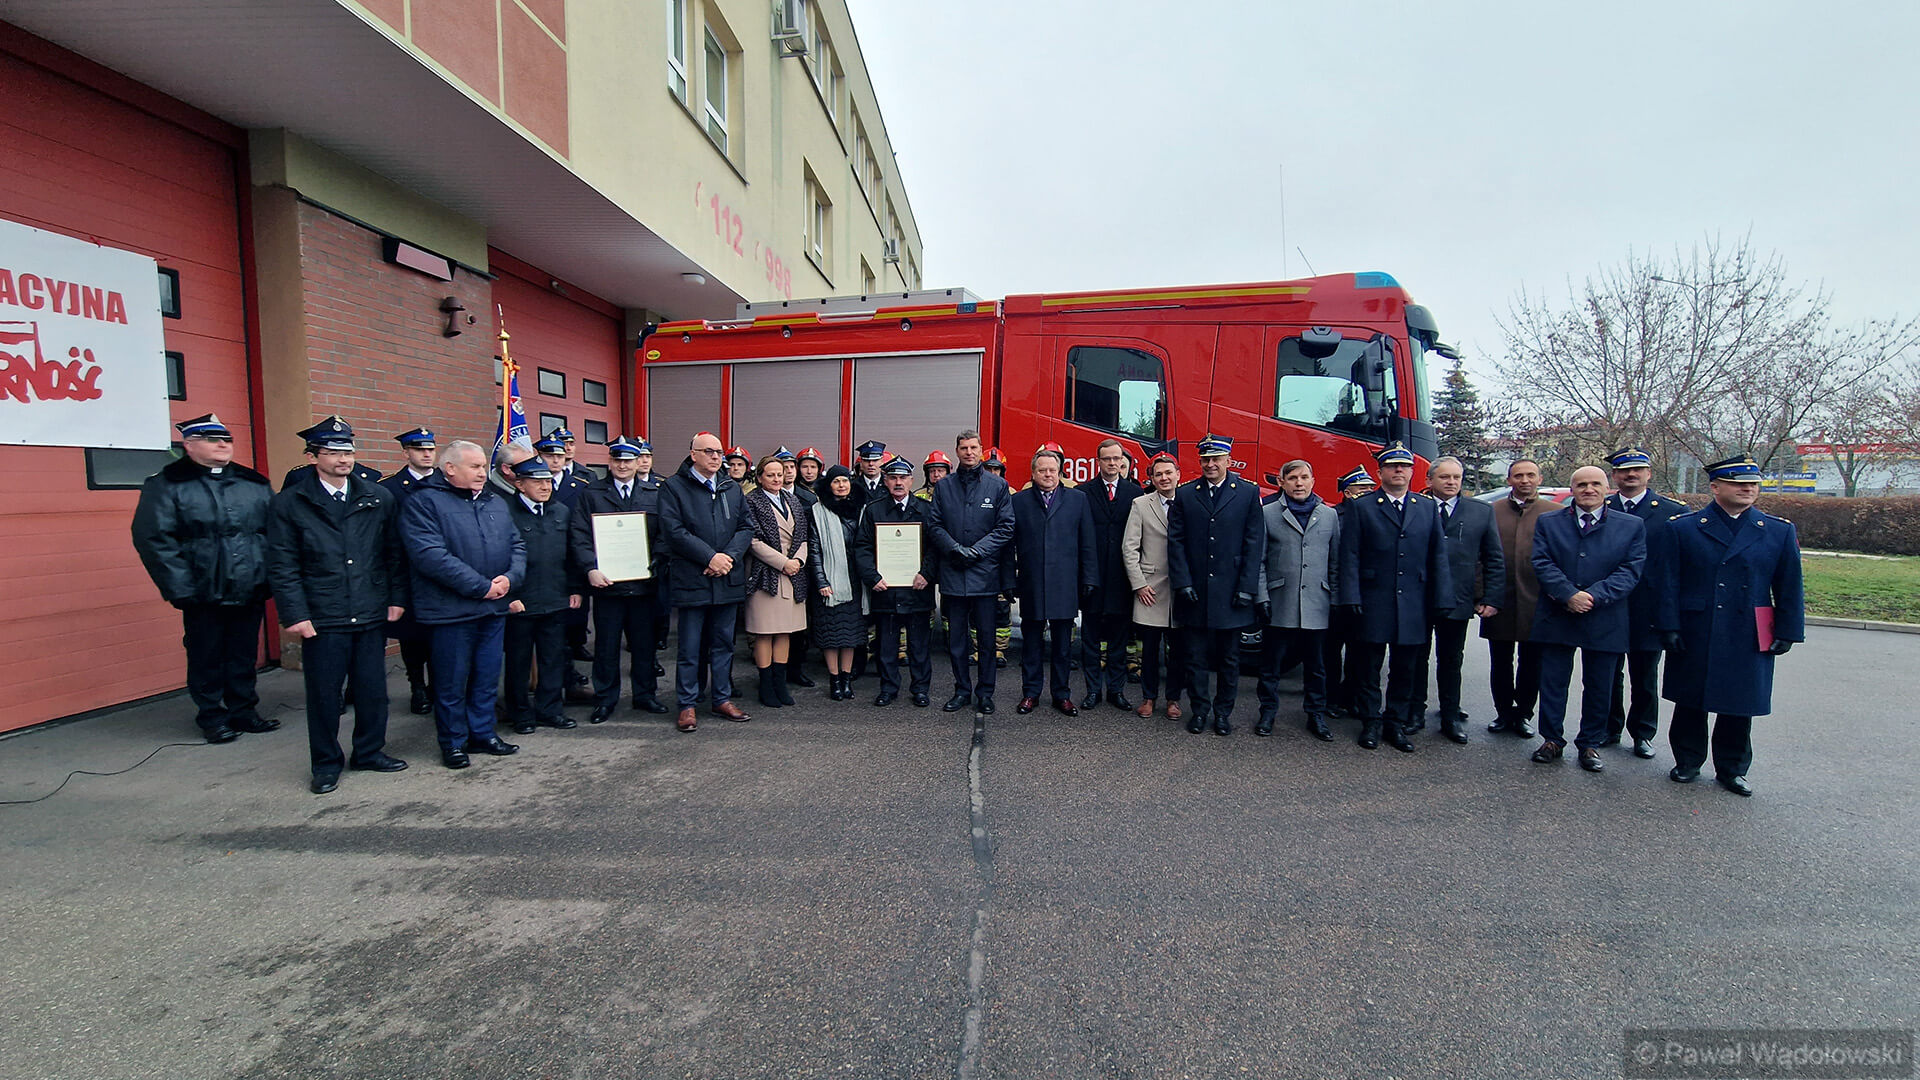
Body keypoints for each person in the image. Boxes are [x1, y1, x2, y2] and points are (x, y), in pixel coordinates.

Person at [263, 417, 407, 793]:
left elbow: (393, 554)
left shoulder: (377, 496)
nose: (344, 459)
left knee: (374, 690)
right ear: (313, 456)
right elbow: (282, 563)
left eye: (348, 451)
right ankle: (326, 764)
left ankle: (370, 752)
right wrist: (296, 614)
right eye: (333, 452)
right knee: (326, 696)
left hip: (370, 608)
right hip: (323, 614)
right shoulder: (291, 502)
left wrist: (396, 599)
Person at [1657, 454, 1804, 797]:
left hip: (1749, 628)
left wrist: (1787, 630)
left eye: (1752, 484)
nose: (1748, 489)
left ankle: (1732, 769)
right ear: (1715, 487)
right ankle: (1688, 761)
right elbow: (1667, 581)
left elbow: (1789, 586)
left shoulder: (1777, 530)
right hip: (1697, 624)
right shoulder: (1683, 527)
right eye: (1739, 484)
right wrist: (1668, 625)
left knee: (1740, 702)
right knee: (1691, 699)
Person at [131, 413, 278, 744]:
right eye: (213, 440)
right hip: (202, 589)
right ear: (189, 445)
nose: (223, 445)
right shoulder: (168, 484)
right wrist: (180, 588)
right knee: (206, 654)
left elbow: (274, 532)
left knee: (243, 651)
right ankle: (212, 716)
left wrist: (268, 576)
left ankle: (244, 710)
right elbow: (154, 538)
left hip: (249, 585)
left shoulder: (253, 483)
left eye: (227, 439)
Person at [400, 439, 526, 769]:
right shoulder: (424, 502)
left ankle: (483, 733)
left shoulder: (495, 501)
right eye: (475, 466)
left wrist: (509, 580)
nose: (483, 472)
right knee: (452, 682)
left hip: (493, 607)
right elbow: (430, 556)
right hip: (451, 611)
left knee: (486, 677)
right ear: (450, 468)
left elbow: (517, 545)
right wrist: (481, 587)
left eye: (484, 466)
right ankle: (453, 742)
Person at [1527, 466, 1647, 772]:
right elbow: (1541, 562)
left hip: (1605, 616)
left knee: (1599, 684)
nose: (1588, 489)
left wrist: (1593, 596)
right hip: (1558, 613)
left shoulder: (1631, 525)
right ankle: (1552, 739)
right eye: (1581, 484)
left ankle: (1591, 743)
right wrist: (1568, 594)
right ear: (1573, 489)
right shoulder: (1549, 522)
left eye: (1595, 484)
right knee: (1553, 682)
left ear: (1608, 489)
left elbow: (1630, 570)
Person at [1337, 442, 1452, 752]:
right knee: (1367, 666)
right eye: (1392, 466)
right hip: (1374, 599)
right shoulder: (1363, 506)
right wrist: (1351, 595)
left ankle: (1395, 723)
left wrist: (1442, 598)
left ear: (1413, 473)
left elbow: (1438, 556)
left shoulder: (1426, 507)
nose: (1398, 471)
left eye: (1404, 466)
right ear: (1380, 473)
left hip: (1414, 601)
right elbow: (1350, 555)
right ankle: (1371, 722)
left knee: (1406, 668)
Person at [1167, 434, 1266, 736]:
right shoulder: (1185, 494)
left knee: (1229, 659)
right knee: (1196, 658)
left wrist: (1248, 587)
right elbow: (1176, 542)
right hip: (1194, 591)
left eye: (1216, 459)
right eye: (1205, 459)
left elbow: (1254, 542)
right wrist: (1182, 582)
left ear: (1229, 461)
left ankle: (1223, 713)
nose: (1210, 464)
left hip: (1232, 591)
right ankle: (1199, 710)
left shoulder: (1248, 493)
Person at [658, 432, 755, 731]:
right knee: (689, 646)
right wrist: (709, 557)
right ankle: (687, 704)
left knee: (724, 644)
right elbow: (673, 530)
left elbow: (745, 526)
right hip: (693, 578)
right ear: (693, 454)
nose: (716, 457)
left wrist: (727, 557)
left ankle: (721, 698)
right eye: (709, 451)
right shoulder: (674, 487)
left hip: (726, 577)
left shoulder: (731, 487)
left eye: (719, 452)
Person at [568, 435, 668, 722]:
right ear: (609, 462)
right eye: (617, 460)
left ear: (638, 462)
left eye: (628, 460)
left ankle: (645, 695)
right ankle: (605, 699)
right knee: (607, 647)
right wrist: (590, 568)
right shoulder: (592, 494)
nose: (622, 465)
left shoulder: (655, 493)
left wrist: (655, 562)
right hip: (607, 586)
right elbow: (580, 535)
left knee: (644, 645)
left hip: (644, 585)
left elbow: (664, 533)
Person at [1412, 456, 1505, 744]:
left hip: (1457, 599)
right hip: (1419, 598)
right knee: (1416, 658)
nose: (1452, 482)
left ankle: (1450, 715)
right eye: (1445, 477)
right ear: (1430, 481)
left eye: (1457, 477)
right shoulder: (1417, 508)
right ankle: (1414, 711)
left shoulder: (1480, 512)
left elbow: (1493, 558)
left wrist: (1491, 597)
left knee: (1451, 660)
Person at [1603, 445, 1683, 758]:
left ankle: (1642, 733)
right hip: (1609, 603)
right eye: (1624, 470)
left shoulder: (1671, 512)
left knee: (1645, 677)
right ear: (1615, 475)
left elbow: (1675, 567)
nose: (1631, 475)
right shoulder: (1603, 506)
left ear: (1649, 474)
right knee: (1608, 674)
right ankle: (1608, 728)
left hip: (1648, 607)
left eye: (1637, 470)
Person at [929, 430, 1016, 714]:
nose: (969, 452)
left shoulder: (997, 486)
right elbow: (935, 526)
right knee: (956, 641)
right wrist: (954, 548)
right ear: (956, 451)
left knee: (987, 641)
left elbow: (1005, 527)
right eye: (963, 448)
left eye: (973, 447)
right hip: (953, 574)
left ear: (982, 450)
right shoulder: (944, 487)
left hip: (985, 576)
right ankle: (962, 690)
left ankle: (985, 693)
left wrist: (977, 550)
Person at [1255, 459, 1341, 740]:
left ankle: (1316, 713)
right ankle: (1267, 712)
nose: (1299, 483)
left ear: (1313, 480)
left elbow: (1336, 561)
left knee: (1316, 666)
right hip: (1281, 600)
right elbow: (1260, 561)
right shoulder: (1268, 513)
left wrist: (1336, 598)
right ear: (1281, 483)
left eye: (1304, 477)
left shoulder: (1329, 515)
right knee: (1271, 664)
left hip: (1317, 601)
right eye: (1292, 478)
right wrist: (1262, 597)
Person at [1010, 444, 1098, 715]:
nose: (1048, 474)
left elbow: (1087, 543)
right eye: (1042, 470)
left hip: (1065, 584)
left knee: (1062, 646)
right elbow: (1008, 545)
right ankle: (1030, 693)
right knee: (1032, 644)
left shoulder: (1077, 500)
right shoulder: (1019, 501)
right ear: (1033, 473)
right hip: (1032, 583)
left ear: (1060, 472)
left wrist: (1089, 578)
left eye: (1052, 470)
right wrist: (1008, 581)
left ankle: (1062, 695)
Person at [499, 456, 583, 736]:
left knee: (553, 658)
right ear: (520, 484)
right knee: (519, 661)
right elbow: (499, 558)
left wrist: (574, 588)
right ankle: (520, 713)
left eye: (547, 480)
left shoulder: (559, 511)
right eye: (537, 481)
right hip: (521, 601)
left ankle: (550, 710)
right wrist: (510, 595)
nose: (545, 486)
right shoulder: (504, 512)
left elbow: (570, 554)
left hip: (555, 597)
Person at [855, 458, 938, 707]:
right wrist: (873, 577)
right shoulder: (874, 510)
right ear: (886, 481)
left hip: (917, 588)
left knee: (919, 645)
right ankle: (888, 688)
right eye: (892, 478)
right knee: (887, 645)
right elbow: (862, 547)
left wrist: (927, 573)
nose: (898, 483)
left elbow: (935, 547)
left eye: (903, 478)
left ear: (911, 481)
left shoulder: (925, 509)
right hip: (886, 590)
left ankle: (921, 689)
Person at [1482, 459, 1553, 738]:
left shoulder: (1555, 512)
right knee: (1500, 661)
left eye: (1531, 475)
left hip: (1538, 600)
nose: (1525, 480)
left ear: (1539, 478)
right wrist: (1483, 595)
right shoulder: (1492, 511)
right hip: (1499, 599)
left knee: (1532, 662)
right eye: (1518, 476)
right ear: (1509, 480)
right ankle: (1502, 712)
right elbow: (1481, 556)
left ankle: (1524, 713)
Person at [1080, 439, 1145, 711]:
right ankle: (1093, 690)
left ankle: (1116, 690)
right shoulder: (1083, 492)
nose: (1111, 463)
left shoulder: (1135, 494)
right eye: (1106, 459)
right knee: (1091, 639)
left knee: (1119, 639)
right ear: (1098, 462)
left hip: (1122, 577)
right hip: (1092, 577)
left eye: (1116, 458)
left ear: (1123, 462)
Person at [1122, 452, 1186, 722]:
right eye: (1158, 474)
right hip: (1151, 589)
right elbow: (1129, 547)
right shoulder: (1140, 504)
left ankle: (1173, 700)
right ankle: (1148, 698)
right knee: (1148, 649)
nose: (1164, 478)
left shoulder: (1189, 501)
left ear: (1178, 475)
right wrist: (1139, 585)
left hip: (1182, 589)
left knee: (1179, 651)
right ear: (1151, 478)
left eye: (1168, 473)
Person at [743, 455, 812, 708]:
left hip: (793, 574)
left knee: (785, 631)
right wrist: (783, 563)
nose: (776, 479)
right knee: (765, 633)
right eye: (770, 474)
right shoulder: (751, 501)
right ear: (759, 477)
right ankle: (766, 685)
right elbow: (752, 540)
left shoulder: (792, 499)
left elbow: (803, 536)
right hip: (766, 575)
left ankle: (780, 684)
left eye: (779, 474)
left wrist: (798, 561)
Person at [381, 426, 440, 714]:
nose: (427, 454)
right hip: (408, 573)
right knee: (412, 637)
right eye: (419, 449)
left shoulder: (447, 481)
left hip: (442, 574)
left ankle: (438, 687)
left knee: (440, 638)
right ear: (406, 453)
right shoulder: (390, 488)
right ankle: (417, 687)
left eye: (430, 449)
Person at [804, 465, 869, 700]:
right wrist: (821, 580)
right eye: (836, 481)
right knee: (830, 635)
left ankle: (846, 678)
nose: (841, 485)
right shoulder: (817, 511)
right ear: (828, 485)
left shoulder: (861, 509)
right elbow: (814, 550)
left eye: (845, 480)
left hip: (855, 579)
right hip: (829, 580)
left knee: (850, 635)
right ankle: (834, 680)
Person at [1324, 467, 1378, 718]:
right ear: (1347, 492)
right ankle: (1331, 698)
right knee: (1331, 651)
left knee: (1360, 651)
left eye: (1370, 488)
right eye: (1361, 489)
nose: (1368, 492)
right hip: (1336, 595)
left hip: (1363, 594)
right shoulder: (1333, 516)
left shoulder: (1375, 514)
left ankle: (1353, 696)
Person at [981, 447, 1014, 668]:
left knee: (1002, 607)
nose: (993, 473)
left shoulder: (1011, 493)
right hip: (979, 558)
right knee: (978, 608)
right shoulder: (974, 489)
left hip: (1002, 557)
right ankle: (978, 649)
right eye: (989, 468)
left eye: (997, 469)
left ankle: (1000, 649)